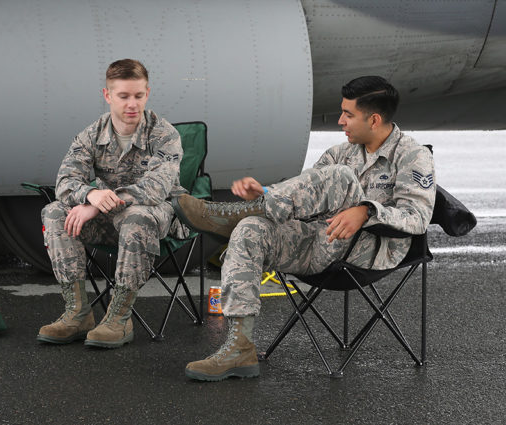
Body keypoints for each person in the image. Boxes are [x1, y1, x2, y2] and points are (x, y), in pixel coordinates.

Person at [172, 76, 436, 381]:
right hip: (318, 240)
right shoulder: (342, 152)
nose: (340, 121)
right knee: (250, 229)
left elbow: (417, 218)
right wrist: (267, 193)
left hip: (366, 251)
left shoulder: (413, 156)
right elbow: (306, 193)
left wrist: (365, 212)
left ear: (374, 119)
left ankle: (223, 215)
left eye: (348, 115)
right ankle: (239, 349)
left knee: (339, 177)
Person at [38, 59, 187, 348]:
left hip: (156, 219)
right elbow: (64, 182)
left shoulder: (164, 134)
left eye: (138, 95)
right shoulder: (91, 135)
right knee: (54, 212)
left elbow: (155, 189)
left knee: (137, 218)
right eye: (123, 96)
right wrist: (89, 195)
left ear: (147, 93)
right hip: (110, 220)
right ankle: (77, 312)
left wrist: (96, 205)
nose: (132, 104)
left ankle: (119, 317)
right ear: (107, 96)